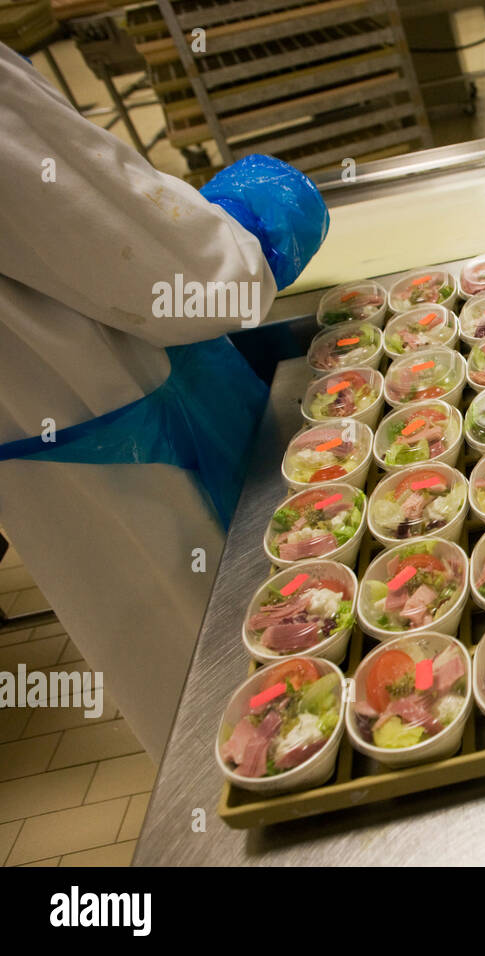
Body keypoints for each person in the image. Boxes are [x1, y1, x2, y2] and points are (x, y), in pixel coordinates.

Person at [0, 45, 329, 757]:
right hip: (141, 442)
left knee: (192, 691)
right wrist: (255, 217)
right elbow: (183, 275)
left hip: (46, 460)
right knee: (265, 667)